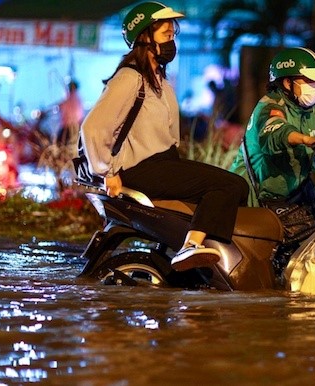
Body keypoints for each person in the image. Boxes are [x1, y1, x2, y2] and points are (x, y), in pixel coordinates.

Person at [80, 1, 249, 272]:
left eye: (172, 35)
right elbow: (93, 127)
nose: (172, 41)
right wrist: (107, 170)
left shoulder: (159, 80)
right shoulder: (129, 78)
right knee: (227, 185)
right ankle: (190, 246)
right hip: (141, 169)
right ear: (144, 37)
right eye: (165, 35)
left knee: (240, 187)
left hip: (164, 163)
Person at [230, 47, 315, 208]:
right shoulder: (270, 106)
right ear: (288, 83)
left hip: (295, 196)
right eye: (307, 81)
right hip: (258, 200)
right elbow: (277, 133)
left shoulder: (309, 110)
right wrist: (307, 140)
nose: (314, 87)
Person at [57, 80, 84, 147]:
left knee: (59, 145)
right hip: (77, 128)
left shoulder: (70, 98)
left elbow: (61, 107)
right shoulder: (79, 99)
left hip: (68, 128)